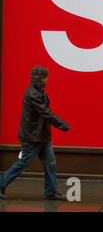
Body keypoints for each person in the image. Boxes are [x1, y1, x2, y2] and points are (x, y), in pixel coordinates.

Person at [0, 66, 71, 200]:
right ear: (38, 79)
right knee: (24, 163)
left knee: (50, 163)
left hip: (41, 135)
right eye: (45, 78)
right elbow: (46, 113)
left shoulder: (39, 90)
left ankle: (51, 192)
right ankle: (1, 183)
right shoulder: (33, 94)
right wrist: (62, 124)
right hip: (32, 137)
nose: (47, 80)